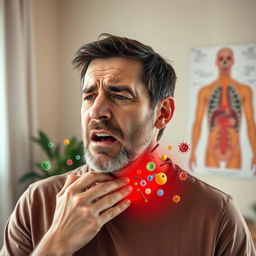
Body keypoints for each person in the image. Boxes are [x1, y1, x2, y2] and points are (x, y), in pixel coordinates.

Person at [1, 34, 255, 256]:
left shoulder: (216, 215)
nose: (96, 111)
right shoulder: (38, 202)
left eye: (120, 96)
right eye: (89, 96)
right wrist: (55, 245)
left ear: (162, 112)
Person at [189, 47, 256, 172]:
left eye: (228, 58)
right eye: (221, 58)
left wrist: (255, 152)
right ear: (216, 62)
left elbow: (251, 124)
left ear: (233, 62)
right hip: (211, 148)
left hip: (235, 148)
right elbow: (197, 123)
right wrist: (193, 152)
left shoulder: (244, 90)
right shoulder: (205, 91)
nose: (225, 62)